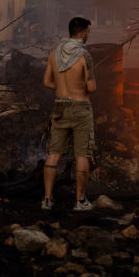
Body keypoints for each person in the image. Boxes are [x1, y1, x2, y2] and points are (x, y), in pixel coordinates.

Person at [41, 16, 97, 211]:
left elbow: (47, 82)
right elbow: (92, 87)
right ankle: (80, 202)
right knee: (82, 155)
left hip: (59, 107)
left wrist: (63, 88)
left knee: (53, 154)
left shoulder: (54, 54)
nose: (88, 35)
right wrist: (77, 87)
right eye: (88, 32)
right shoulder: (85, 56)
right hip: (81, 109)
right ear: (81, 32)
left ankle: (47, 199)